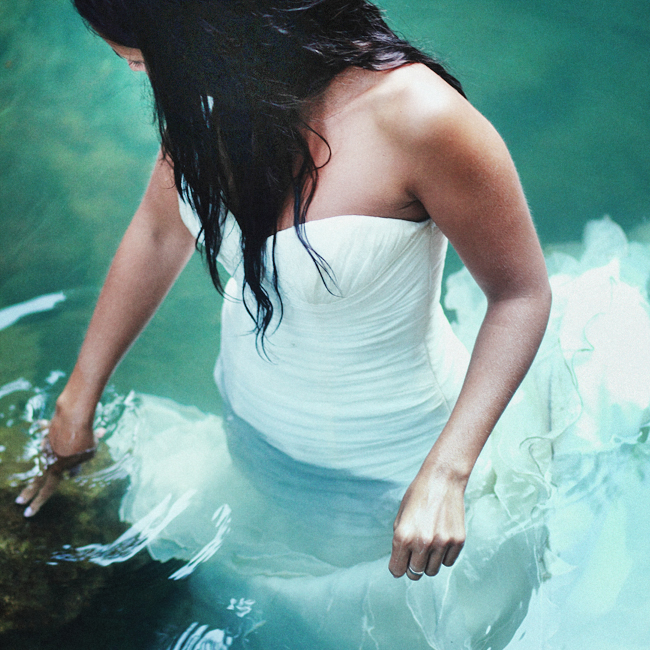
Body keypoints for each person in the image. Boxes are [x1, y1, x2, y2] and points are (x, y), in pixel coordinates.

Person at [17, 0, 551, 600]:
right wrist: (77, 398)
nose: (142, 77)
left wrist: (447, 473)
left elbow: (520, 295)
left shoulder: (416, 115)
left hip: (398, 474)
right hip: (249, 441)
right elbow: (159, 230)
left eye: (144, 60)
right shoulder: (214, 106)